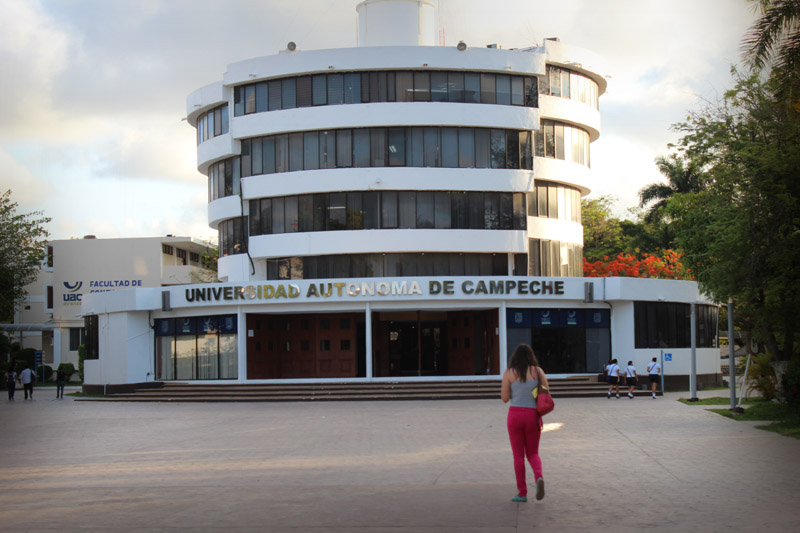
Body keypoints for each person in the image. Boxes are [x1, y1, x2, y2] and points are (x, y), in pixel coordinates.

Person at [501, 344, 549, 503]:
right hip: (532, 415)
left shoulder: (509, 373)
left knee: (518, 456)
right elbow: (546, 392)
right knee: (533, 453)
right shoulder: (538, 371)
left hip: (515, 415)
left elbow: (505, 398)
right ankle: (539, 477)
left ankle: (522, 493)